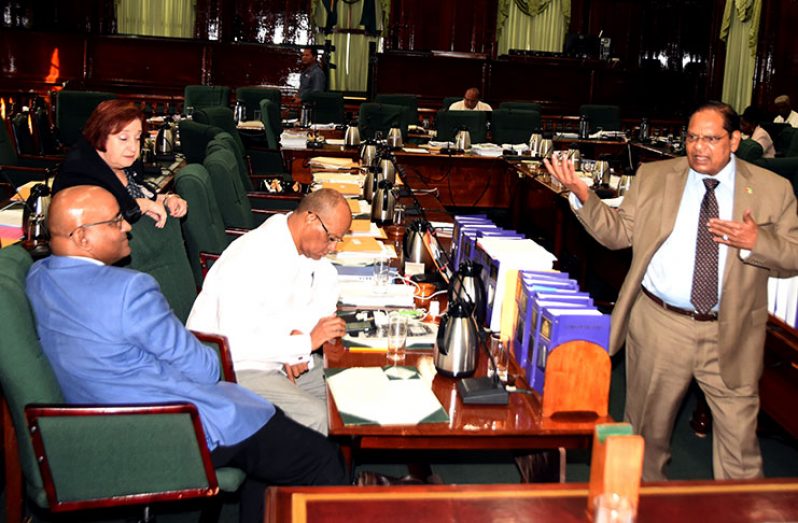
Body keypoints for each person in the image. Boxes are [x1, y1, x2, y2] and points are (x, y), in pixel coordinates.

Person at [26, 185, 347, 522]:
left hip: (97, 422)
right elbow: (206, 366)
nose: (128, 227)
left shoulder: (38, 277)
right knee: (322, 459)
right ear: (82, 237)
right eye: (116, 221)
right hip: (170, 425)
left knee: (278, 455)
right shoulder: (128, 290)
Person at [543, 101, 798, 481]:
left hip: (732, 330)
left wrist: (756, 241)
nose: (699, 147)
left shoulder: (772, 189)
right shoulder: (656, 176)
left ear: (735, 140)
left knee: (741, 454)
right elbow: (619, 234)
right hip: (661, 325)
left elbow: (792, 254)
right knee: (645, 439)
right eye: (692, 137)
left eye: (711, 139)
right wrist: (584, 196)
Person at [187, 189, 352, 435]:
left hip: (272, 357)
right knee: (319, 416)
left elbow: (327, 284)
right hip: (230, 369)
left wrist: (298, 342)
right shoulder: (253, 256)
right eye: (331, 238)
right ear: (310, 218)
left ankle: (348, 469)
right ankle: (320, 470)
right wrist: (302, 343)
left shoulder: (296, 245)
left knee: (349, 388)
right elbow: (234, 344)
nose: (332, 247)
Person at [54, 99, 188, 227]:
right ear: (100, 135)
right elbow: (97, 221)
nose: (133, 148)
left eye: (137, 138)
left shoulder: (125, 163)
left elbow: (141, 195)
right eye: (123, 138)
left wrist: (168, 199)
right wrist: (139, 206)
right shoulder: (79, 171)